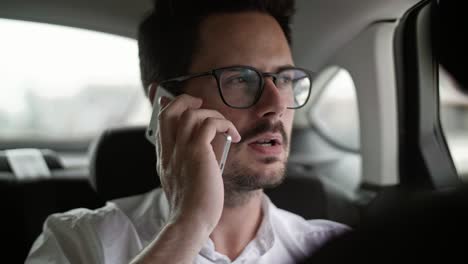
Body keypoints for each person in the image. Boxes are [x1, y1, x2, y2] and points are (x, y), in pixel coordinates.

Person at [25, 0, 349, 263]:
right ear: (165, 104)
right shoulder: (78, 241)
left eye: (285, 79)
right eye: (240, 78)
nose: (277, 104)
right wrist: (187, 227)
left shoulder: (334, 247)